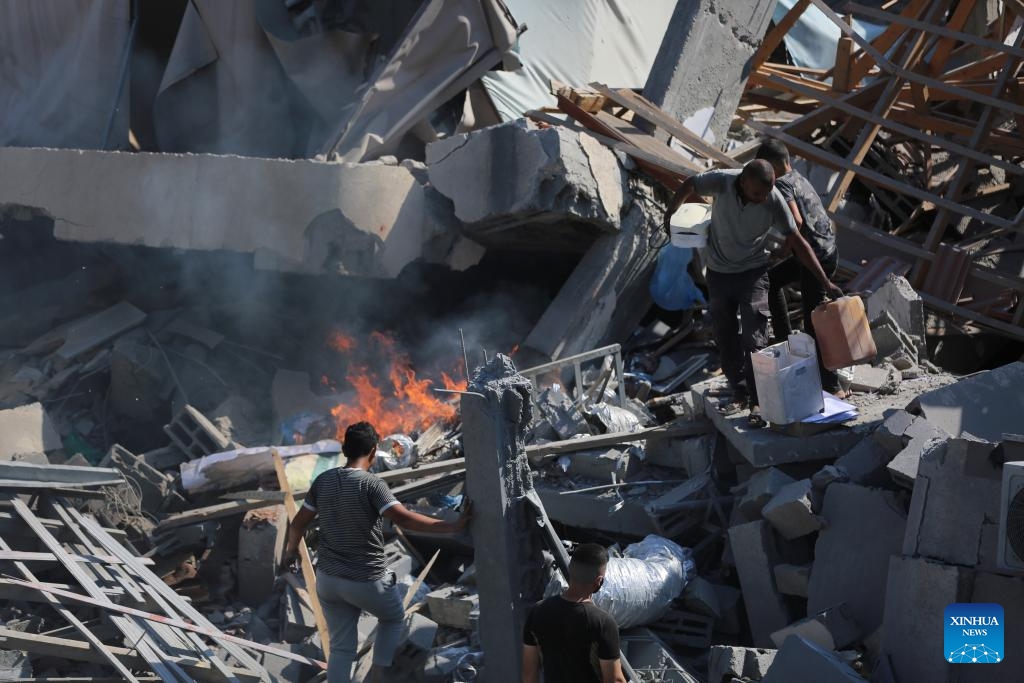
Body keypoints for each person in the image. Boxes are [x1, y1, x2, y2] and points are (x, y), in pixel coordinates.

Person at [281, 421, 473, 683]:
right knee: (393, 618)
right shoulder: (372, 485)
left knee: (340, 649)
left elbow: (298, 524)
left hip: (327, 581)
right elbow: (404, 520)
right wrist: (453, 526)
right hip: (365, 580)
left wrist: (291, 552)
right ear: (373, 452)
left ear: (345, 449)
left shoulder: (323, 481)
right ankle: (379, 676)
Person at [663, 159, 842, 427]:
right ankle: (740, 390)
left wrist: (825, 282)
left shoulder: (773, 200)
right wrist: (670, 215)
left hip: (753, 273)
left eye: (767, 192)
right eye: (758, 193)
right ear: (743, 181)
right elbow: (690, 182)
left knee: (755, 340)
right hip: (719, 274)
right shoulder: (722, 180)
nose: (763, 198)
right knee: (724, 336)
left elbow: (797, 240)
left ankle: (757, 402)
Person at [756, 138, 843, 396]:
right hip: (828, 251)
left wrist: (783, 250)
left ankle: (831, 384)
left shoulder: (781, 185)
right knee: (771, 282)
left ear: (771, 167)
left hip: (814, 260)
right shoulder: (799, 178)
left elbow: (795, 221)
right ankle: (785, 341)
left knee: (813, 321)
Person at [522, 543, 625, 683]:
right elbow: (615, 680)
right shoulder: (603, 623)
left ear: (570, 570)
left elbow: (529, 674)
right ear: (599, 581)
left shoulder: (538, 611)